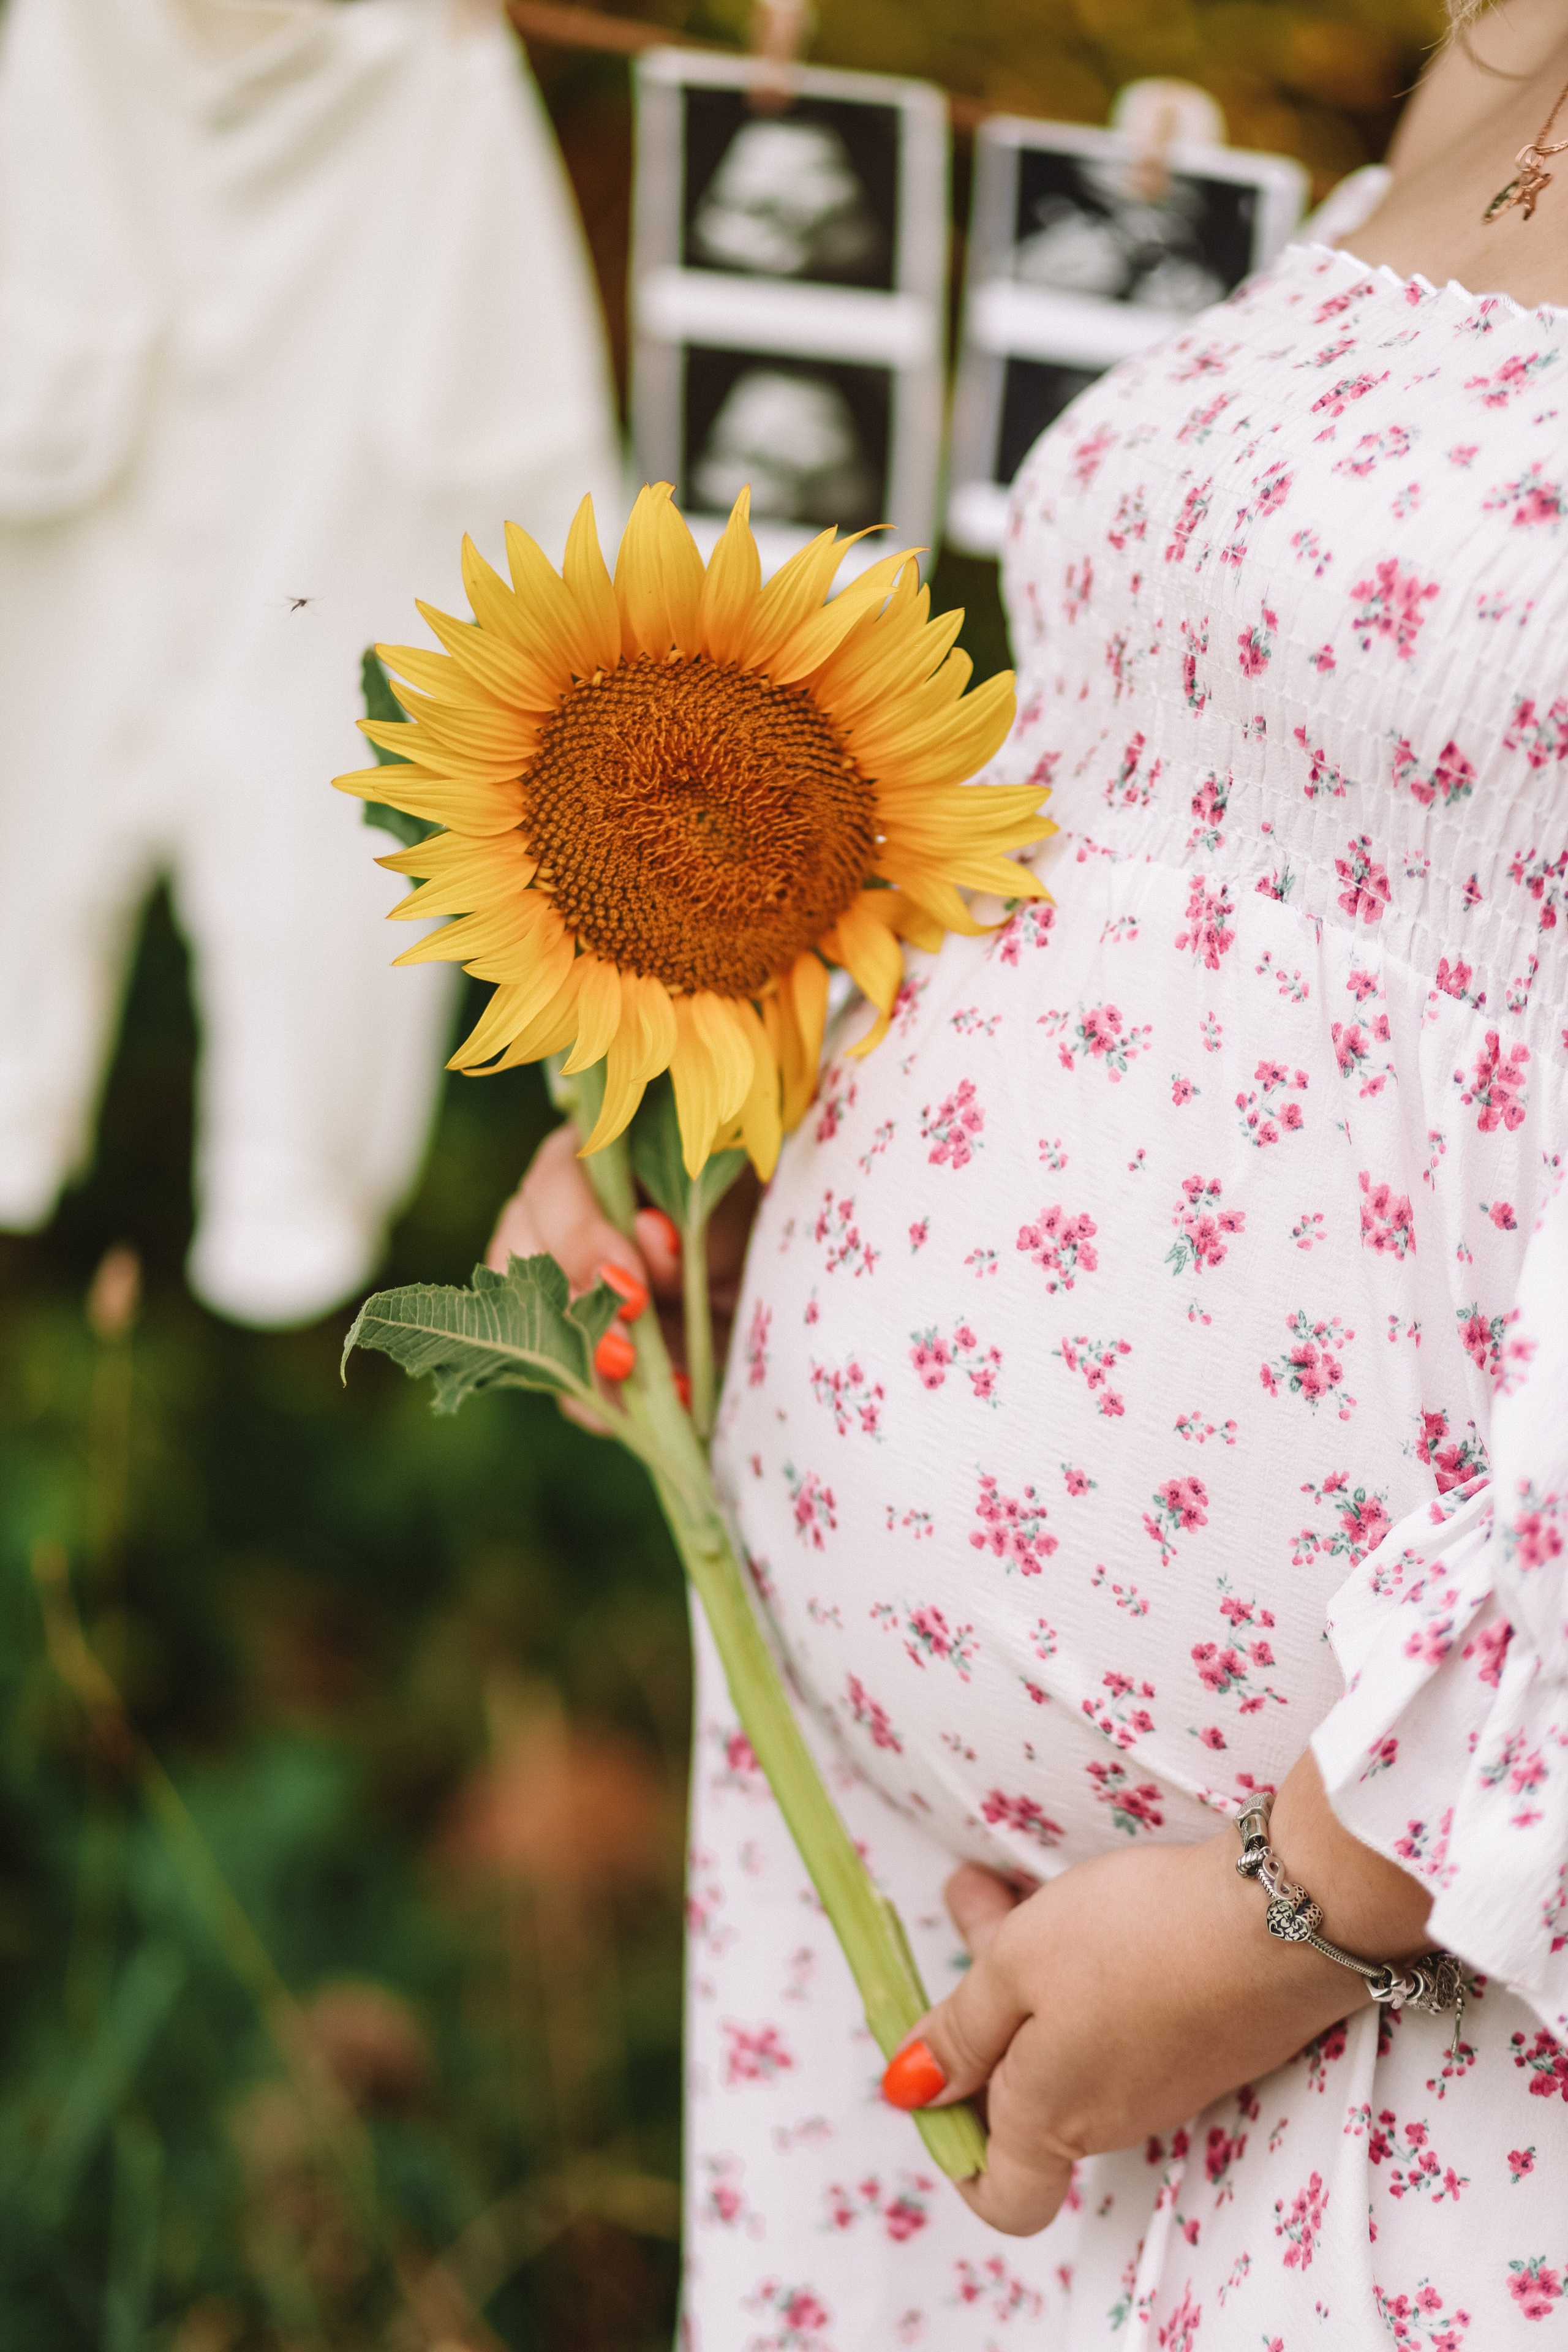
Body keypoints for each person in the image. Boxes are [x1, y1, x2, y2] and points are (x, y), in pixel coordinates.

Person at [488, 5, 1568, 2342]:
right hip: (934, 1886)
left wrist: (1319, 1896)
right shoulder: (1499, 36)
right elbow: (1199, 822)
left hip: (1406, 1960)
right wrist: (733, 1083)